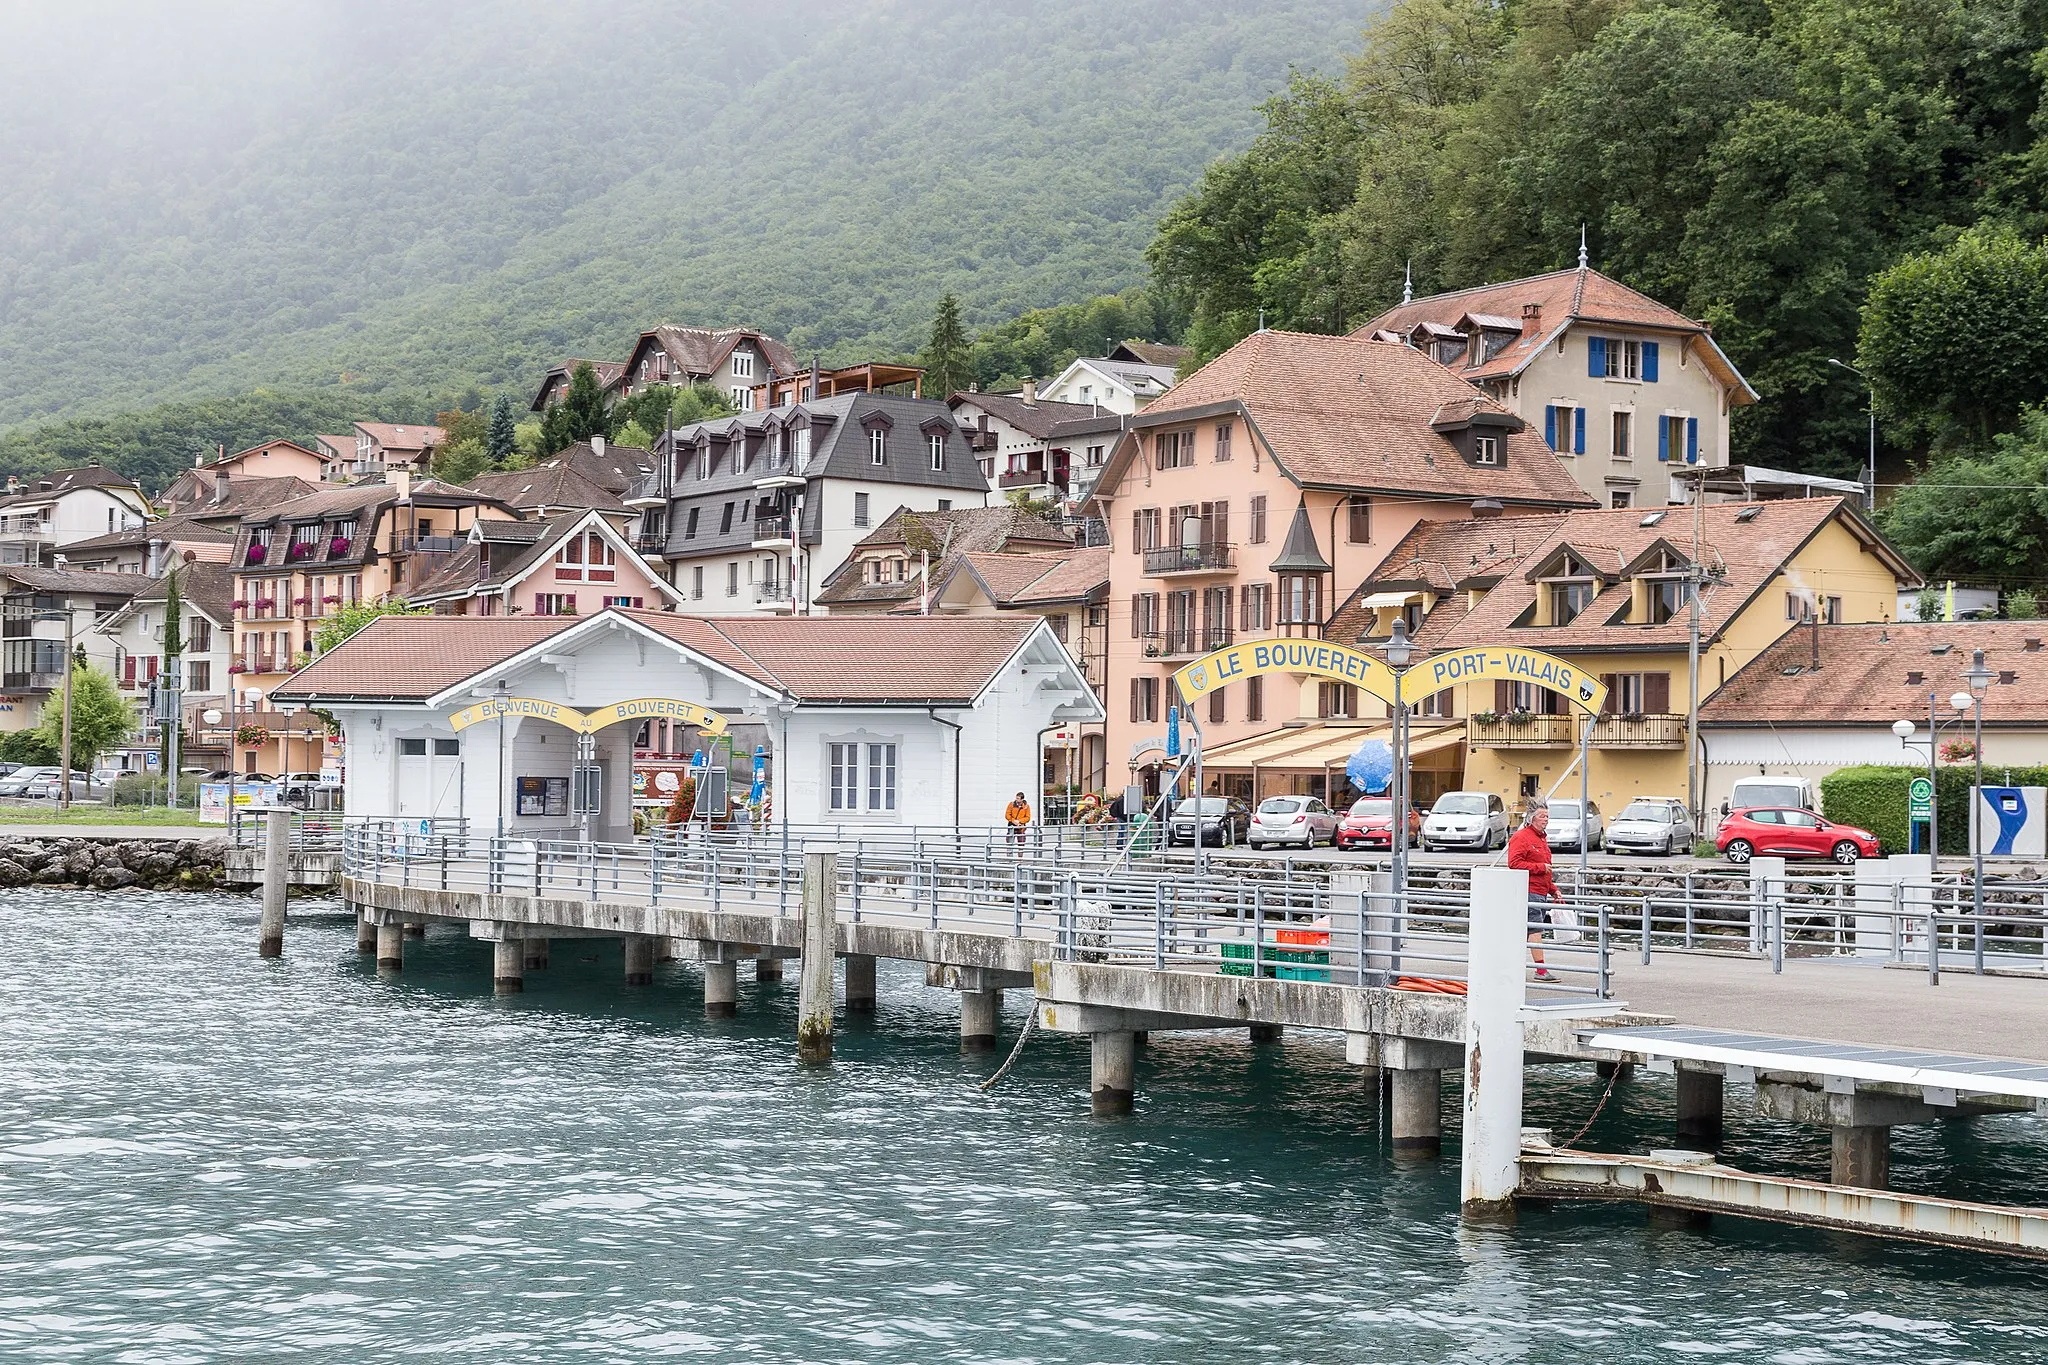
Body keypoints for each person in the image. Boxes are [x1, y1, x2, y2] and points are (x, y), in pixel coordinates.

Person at [1507, 799, 1558, 982]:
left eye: (1547, 816)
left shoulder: (1541, 839)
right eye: (1542, 816)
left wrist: (1553, 890)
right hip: (1529, 891)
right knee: (1534, 931)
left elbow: (1547, 869)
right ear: (1531, 819)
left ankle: (1509, 965)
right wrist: (1539, 867)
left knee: (1527, 931)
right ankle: (1541, 971)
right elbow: (1514, 864)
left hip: (1540, 891)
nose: (1546, 820)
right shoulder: (1522, 837)